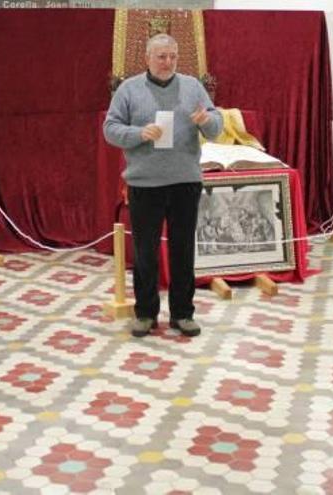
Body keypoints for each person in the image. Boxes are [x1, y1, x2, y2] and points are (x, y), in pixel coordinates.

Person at [103, 33, 222, 338]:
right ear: (147, 58)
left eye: (172, 56)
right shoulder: (129, 90)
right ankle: (145, 313)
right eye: (161, 56)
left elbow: (217, 127)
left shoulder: (193, 87)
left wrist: (205, 120)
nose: (167, 62)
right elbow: (110, 129)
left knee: (183, 251)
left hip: (185, 183)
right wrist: (139, 133)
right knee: (145, 253)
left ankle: (183, 314)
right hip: (145, 184)